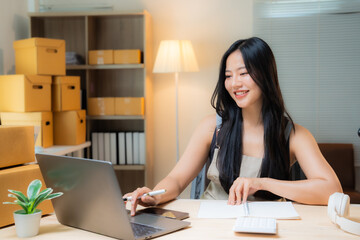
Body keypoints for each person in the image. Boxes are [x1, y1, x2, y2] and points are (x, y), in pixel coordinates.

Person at [124, 37, 342, 216]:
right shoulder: (212, 126)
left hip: (265, 226)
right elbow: (177, 179)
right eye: (228, 76)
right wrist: (153, 196)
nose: (234, 83)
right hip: (210, 224)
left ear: (265, 76)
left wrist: (263, 183)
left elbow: (331, 190)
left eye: (244, 73)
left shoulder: (293, 135)